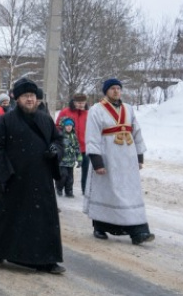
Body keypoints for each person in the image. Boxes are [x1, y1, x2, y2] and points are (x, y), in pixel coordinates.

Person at [0, 78, 65, 274]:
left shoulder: (45, 119)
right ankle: (0, 250)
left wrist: (55, 149)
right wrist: (0, 176)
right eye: (26, 96)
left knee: (43, 220)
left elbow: (58, 140)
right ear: (17, 98)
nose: (30, 99)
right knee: (8, 219)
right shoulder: (7, 121)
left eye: (33, 96)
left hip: (41, 178)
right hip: (14, 179)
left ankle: (47, 259)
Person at [83, 78, 154, 245]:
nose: (116, 91)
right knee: (107, 192)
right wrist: (97, 161)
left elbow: (136, 131)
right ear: (106, 91)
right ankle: (100, 226)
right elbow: (92, 136)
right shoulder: (96, 110)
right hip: (108, 157)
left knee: (130, 193)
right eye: (112, 88)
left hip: (127, 159)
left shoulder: (128, 109)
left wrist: (139, 156)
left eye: (118, 88)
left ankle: (140, 231)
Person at [56, 93, 90, 194]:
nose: (81, 105)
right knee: (65, 171)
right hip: (67, 146)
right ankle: (61, 187)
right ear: (74, 102)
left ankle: (85, 190)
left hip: (84, 147)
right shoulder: (65, 112)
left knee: (86, 169)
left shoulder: (88, 113)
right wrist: (62, 135)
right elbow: (57, 126)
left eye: (83, 103)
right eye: (79, 103)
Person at [56, 118, 80, 197]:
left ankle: (69, 191)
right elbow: (56, 146)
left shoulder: (74, 136)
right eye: (67, 126)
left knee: (70, 179)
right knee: (63, 175)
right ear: (63, 126)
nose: (69, 127)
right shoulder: (60, 136)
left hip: (71, 162)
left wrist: (79, 159)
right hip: (62, 161)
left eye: (70, 125)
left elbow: (77, 148)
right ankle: (59, 188)